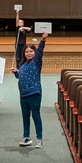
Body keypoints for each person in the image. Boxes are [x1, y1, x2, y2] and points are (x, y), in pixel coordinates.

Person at [11, 19, 49, 148]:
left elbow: (40, 51)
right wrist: (16, 72)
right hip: (23, 94)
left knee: (36, 116)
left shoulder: (36, 62)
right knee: (25, 116)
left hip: (34, 93)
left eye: (31, 51)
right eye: (26, 52)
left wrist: (42, 40)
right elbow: (20, 76)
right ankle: (26, 137)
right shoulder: (22, 65)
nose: (29, 53)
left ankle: (39, 138)